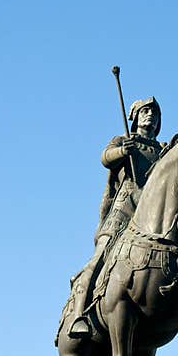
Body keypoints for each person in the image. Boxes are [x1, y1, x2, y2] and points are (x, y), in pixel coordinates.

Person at [66, 97, 164, 338]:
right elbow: (105, 157)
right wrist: (123, 151)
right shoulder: (124, 140)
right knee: (99, 258)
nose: (149, 115)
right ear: (135, 118)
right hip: (123, 212)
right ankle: (79, 315)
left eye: (153, 112)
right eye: (144, 111)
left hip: (153, 215)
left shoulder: (163, 150)